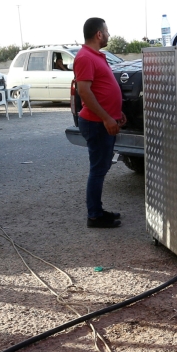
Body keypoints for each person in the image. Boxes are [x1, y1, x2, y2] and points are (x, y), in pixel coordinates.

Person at [75, 17, 125, 228]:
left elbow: (101, 88)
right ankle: (94, 215)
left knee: (101, 168)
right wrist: (106, 117)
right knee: (98, 169)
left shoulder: (95, 56)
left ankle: (98, 210)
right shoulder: (85, 57)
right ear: (99, 34)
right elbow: (84, 91)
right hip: (97, 124)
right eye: (107, 31)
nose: (109, 35)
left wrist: (116, 112)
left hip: (104, 121)